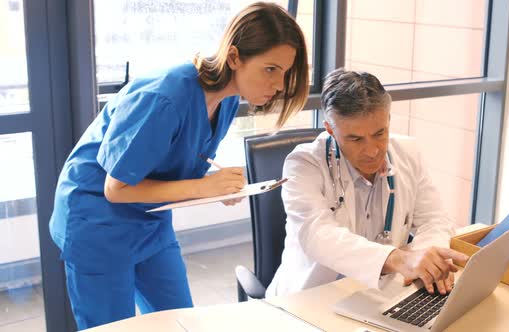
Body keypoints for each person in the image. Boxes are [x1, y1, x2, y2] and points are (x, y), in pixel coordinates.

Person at [49, 2, 308, 329]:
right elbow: (115, 188)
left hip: (150, 222)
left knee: (182, 323)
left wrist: (216, 187)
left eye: (285, 72)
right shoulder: (165, 96)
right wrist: (202, 186)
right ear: (234, 57)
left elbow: (173, 167)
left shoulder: (226, 100)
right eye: (271, 69)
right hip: (97, 222)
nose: (280, 84)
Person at [266, 69, 469, 297]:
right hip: (309, 298)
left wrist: (428, 260)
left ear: (388, 119)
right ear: (331, 129)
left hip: (379, 294)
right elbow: (317, 235)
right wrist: (397, 258)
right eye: (355, 139)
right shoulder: (303, 164)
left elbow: (435, 220)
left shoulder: (408, 153)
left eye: (380, 133)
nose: (372, 150)